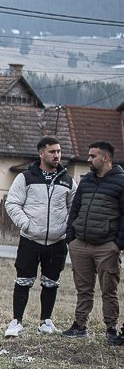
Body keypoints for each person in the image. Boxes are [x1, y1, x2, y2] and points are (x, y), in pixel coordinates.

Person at [3, 137, 74, 337]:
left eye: (59, 151)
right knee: (23, 280)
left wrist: (64, 227)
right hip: (30, 240)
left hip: (57, 242)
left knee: (51, 282)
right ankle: (16, 322)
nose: (57, 155)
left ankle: (45, 322)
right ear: (41, 153)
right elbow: (12, 203)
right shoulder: (26, 177)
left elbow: (74, 207)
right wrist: (26, 224)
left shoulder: (67, 180)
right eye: (52, 151)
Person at [64, 141, 124, 345]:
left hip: (107, 246)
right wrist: (70, 236)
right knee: (83, 288)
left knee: (109, 290)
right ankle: (79, 326)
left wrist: (117, 244)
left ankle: (111, 330)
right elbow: (75, 208)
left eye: (92, 156)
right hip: (80, 243)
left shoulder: (121, 182)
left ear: (105, 158)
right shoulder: (87, 181)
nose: (88, 159)